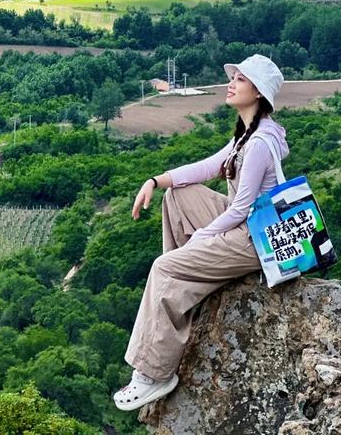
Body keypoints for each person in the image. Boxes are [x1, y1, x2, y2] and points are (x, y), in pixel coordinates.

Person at [113, 53, 289, 412]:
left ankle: (154, 374)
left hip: (256, 238)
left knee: (163, 267)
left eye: (240, 79)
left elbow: (241, 209)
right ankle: (186, 282)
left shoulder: (257, 144)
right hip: (246, 223)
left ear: (258, 93)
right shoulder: (247, 135)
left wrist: (203, 236)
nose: (231, 83)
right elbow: (207, 168)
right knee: (178, 196)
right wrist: (154, 181)